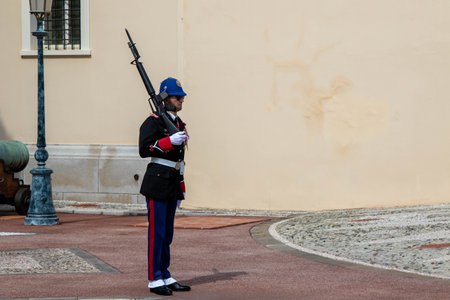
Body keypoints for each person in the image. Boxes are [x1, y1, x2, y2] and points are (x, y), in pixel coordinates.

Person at [139, 77, 191, 296]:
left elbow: (178, 160)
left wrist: (181, 187)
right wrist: (169, 142)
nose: (181, 100)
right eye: (176, 97)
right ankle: (154, 278)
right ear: (164, 98)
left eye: (181, 97)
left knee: (167, 233)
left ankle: (165, 274)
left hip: (172, 182)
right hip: (157, 182)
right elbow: (144, 149)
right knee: (157, 233)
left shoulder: (178, 124)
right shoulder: (153, 122)